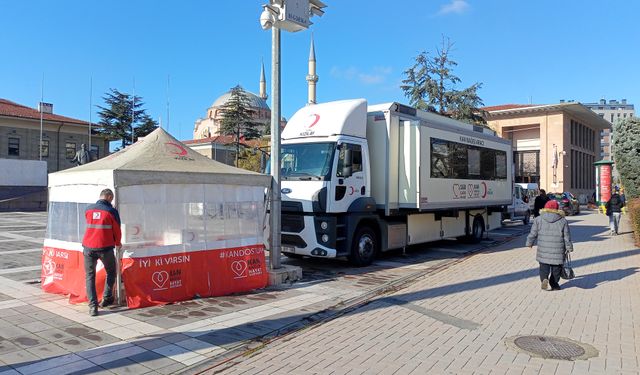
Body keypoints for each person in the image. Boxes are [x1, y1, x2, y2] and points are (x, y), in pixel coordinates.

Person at [82, 189, 121, 316]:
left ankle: (93, 307)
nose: (112, 201)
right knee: (111, 272)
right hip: (105, 248)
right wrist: (118, 243)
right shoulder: (111, 211)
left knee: (90, 276)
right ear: (109, 197)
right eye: (112, 198)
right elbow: (117, 230)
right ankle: (106, 297)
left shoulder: (88, 209)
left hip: (88, 247)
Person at [526, 200, 573, 291]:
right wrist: (569, 247)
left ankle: (544, 279)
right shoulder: (563, 221)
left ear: (545, 208)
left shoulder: (538, 219)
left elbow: (533, 233)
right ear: (557, 208)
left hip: (543, 251)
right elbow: (566, 236)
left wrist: (529, 243)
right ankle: (554, 284)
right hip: (558, 251)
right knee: (556, 269)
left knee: (544, 267)